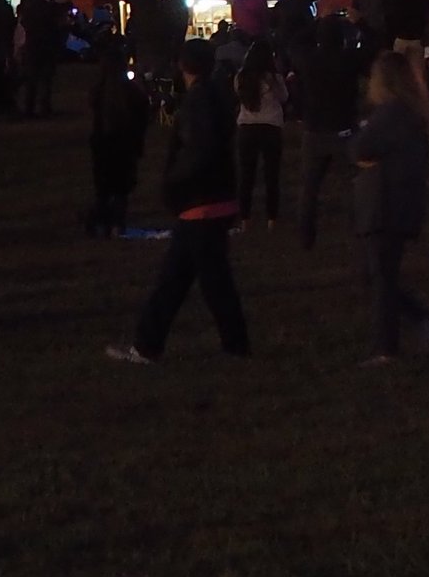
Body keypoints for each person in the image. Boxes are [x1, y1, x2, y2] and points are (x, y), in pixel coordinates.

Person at [110, 40, 250, 363]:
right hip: (213, 198)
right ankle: (150, 343)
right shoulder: (216, 96)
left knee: (202, 281)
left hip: (200, 200)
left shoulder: (199, 102)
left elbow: (198, 151)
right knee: (182, 278)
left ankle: (155, 346)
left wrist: (174, 184)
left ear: (183, 66)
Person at [353, 51, 429, 363]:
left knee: (381, 278)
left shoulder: (390, 114)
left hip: (384, 204)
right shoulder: (411, 113)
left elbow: (361, 148)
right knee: (378, 275)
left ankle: (387, 346)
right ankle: (420, 319)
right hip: (399, 202)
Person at [294, 11, 363, 250]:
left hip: (314, 129)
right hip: (343, 128)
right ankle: (359, 231)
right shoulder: (348, 60)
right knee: (351, 184)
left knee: (309, 188)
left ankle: (306, 237)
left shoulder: (309, 60)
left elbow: (295, 40)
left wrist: (314, 25)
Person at [84, 38, 151, 238]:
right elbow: (143, 116)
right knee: (121, 189)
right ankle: (116, 224)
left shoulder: (98, 91)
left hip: (103, 144)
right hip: (125, 145)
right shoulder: (131, 93)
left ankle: (102, 223)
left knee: (104, 189)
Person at [232, 38, 288, 230]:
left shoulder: (241, 77)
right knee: (272, 175)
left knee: (247, 175)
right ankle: (272, 217)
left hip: (247, 127)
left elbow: (237, 96)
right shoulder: (273, 79)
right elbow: (284, 98)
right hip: (271, 126)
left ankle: (245, 218)